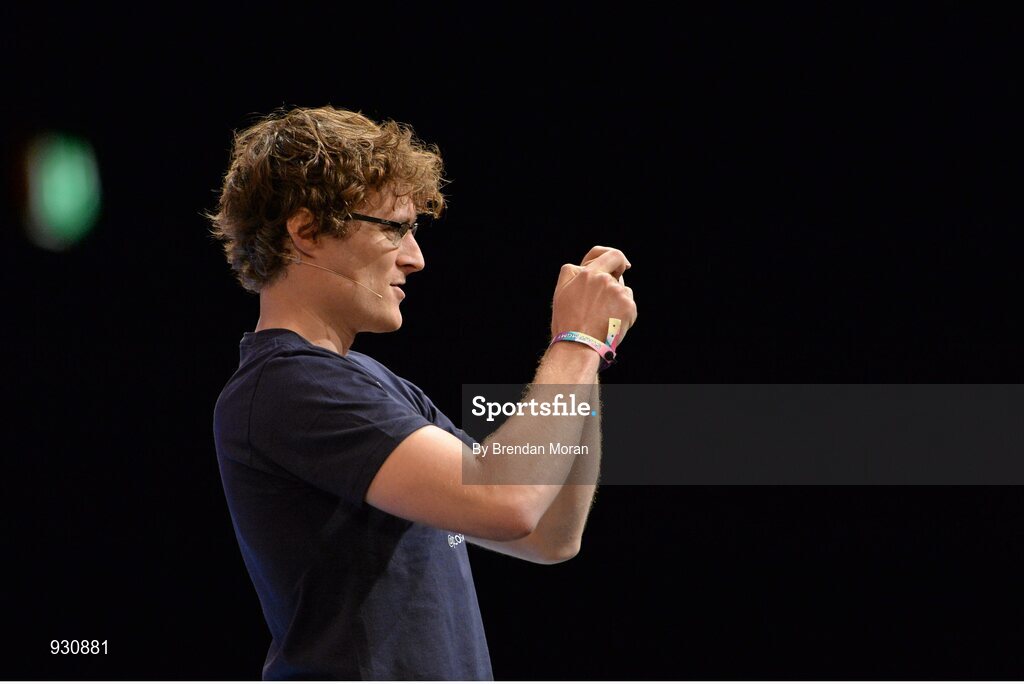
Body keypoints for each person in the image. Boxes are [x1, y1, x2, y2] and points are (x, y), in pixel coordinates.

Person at [207, 105, 637, 680]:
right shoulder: (288, 385)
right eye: (394, 229)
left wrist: (590, 355)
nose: (416, 257)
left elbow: (550, 530)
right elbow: (507, 501)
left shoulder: (376, 384)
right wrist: (576, 342)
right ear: (306, 231)